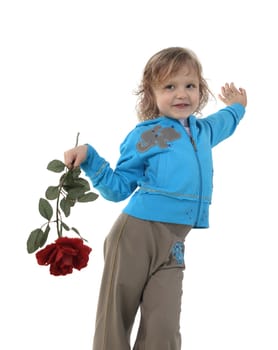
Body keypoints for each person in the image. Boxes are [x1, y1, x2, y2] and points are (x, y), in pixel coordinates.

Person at [64, 46, 247, 350]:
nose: (182, 94)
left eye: (190, 85)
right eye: (169, 86)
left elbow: (226, 120)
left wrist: (238, 106)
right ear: (151, 94)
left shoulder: (203, 131)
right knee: (115, 318)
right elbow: (118, 188)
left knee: (164, 326)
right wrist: (89, 158)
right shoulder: (146, 135)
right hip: (135, 233)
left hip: (174, 241)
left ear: (201, 90)